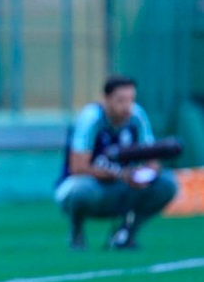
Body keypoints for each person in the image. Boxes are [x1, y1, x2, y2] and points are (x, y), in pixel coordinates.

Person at [55, 76, 178, 250]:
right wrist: (122, 175)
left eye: (131, 100)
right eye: (120, 100)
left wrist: (144, 176)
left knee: (167, 184)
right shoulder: (91, 118)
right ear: (105, 99)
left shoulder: (137, 116)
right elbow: (78, 167)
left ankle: (124, 234)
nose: (127, 107)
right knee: (81, 190)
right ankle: (76, 232)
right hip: (94, 188)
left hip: (123, 186)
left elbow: (153, 162)